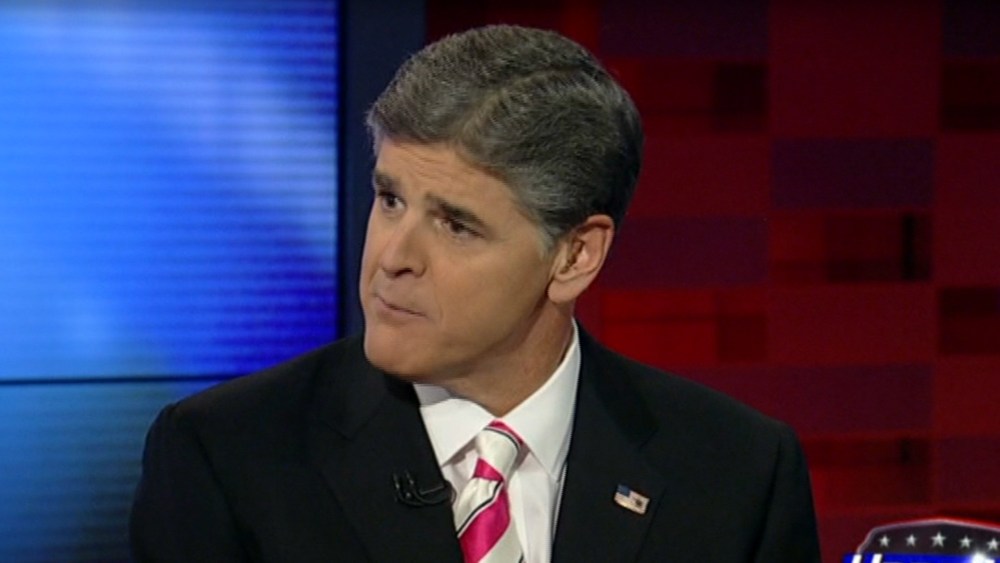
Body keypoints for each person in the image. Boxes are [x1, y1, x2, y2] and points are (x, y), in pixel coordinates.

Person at [130, 25, 821, 562]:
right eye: (390, 199)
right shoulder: (227, 458)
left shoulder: (738, 471)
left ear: (575, 256)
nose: (393, 258)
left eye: (456, 225)